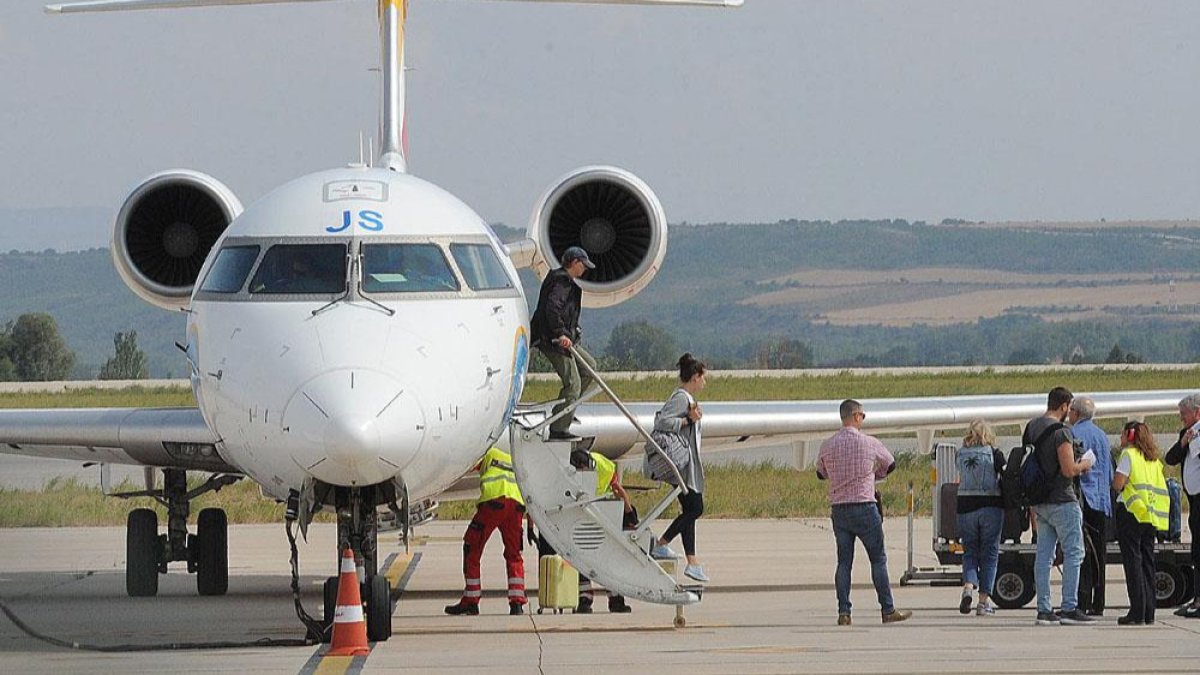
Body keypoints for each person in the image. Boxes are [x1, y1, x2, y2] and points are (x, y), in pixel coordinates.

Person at [815, 399, 911, 626]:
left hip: (840, 509)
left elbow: (821, 473)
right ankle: (887, 609)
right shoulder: (870, 443)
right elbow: (890, 464)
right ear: (857, 416)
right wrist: (873, 475)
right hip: (865, 506)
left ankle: (844, 611)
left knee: (844, 562)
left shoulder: (828, 445)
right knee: (878, 559)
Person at [1025, 386, 1095, 626]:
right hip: (1062, 500)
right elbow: (1068, 469)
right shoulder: (1062, 432)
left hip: (1039, 501)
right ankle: (1069, 607)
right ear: (1064, 405)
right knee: (1075, 552)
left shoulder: (1032, 426)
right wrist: (1084, 464)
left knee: (1044, 556)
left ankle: (1044, 608)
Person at [649, 354, 710, 583]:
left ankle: (693, 562)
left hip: (686, 465)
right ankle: (661, 544)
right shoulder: (681, 398)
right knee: (696, 508)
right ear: (695, 377)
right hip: (682, 466)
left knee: (690, 511)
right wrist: (687, 421)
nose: (705, 382)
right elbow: (661, 422)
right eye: (703, 378)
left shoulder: (686, 398)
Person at [445, 446, 527, 616]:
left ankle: (471, 600)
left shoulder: (485, 451)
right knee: (514, 554)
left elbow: (469, 463)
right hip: (516, 505)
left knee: (472, 546)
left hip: (494, 503)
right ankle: (517, 603)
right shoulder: (509, 458)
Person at [530, 246, 597, 441]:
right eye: (583, 265)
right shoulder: (562, 283)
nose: (584, 269)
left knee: (590, 368)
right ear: (575, 263)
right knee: (573, 384)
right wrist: (560, 333)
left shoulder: (566, 282)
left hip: (566, 339)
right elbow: (552, 308)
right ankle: (559, 427)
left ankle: (566, 410)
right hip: (552, 340)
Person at [1112, 421, 1169, 625]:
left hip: (1131, 512)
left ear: (1129, 435)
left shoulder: (1128, 455)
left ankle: (1136, 611)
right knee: (1147, 562)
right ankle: (1148, 612)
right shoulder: (1154, 460)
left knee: (1132, 562)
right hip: (1149, 515)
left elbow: (1118, 484)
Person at [955, 419, 1006, 616]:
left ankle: (968, 585)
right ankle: (983, 602)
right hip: (991, 506)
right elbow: (1005, 473)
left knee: (969, 552)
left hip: (966, 506)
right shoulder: (994, 453)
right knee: (990, 554)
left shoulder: (960, 453)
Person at [1069, 396, 1114, 616]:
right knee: (1100, 554)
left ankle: (1083, 600)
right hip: (1102, 500)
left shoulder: (1074, 434)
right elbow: (1110, 472)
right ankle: (1099, 602)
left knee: (1082, 552)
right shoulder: (1103, 436)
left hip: (1083, 499)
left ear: (1075, 413)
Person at [1165, 393, 1200, 618]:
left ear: (1197, 412)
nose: (1181, 418)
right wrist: (1183, 442)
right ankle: (1197, 598)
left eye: (1184, 414)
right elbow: (1170, 458)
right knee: (1196, 551)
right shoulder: (1187, 434)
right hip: (1194, 501)